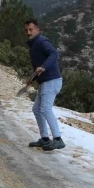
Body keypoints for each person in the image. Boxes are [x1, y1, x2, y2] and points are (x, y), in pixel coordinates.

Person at [24, 18, 65, 151]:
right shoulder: (33, 44)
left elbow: (54, 53)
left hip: (52, 81)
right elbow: (39, 67)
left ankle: (58, 139)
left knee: (45, 109)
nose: (28, 33)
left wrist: (43, 67)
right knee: (37, 109)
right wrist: (32, 78)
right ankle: (45, 139)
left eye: (31, 29)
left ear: (37, 30)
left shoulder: (42, 41)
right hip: (45, 82)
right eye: (26, 30)